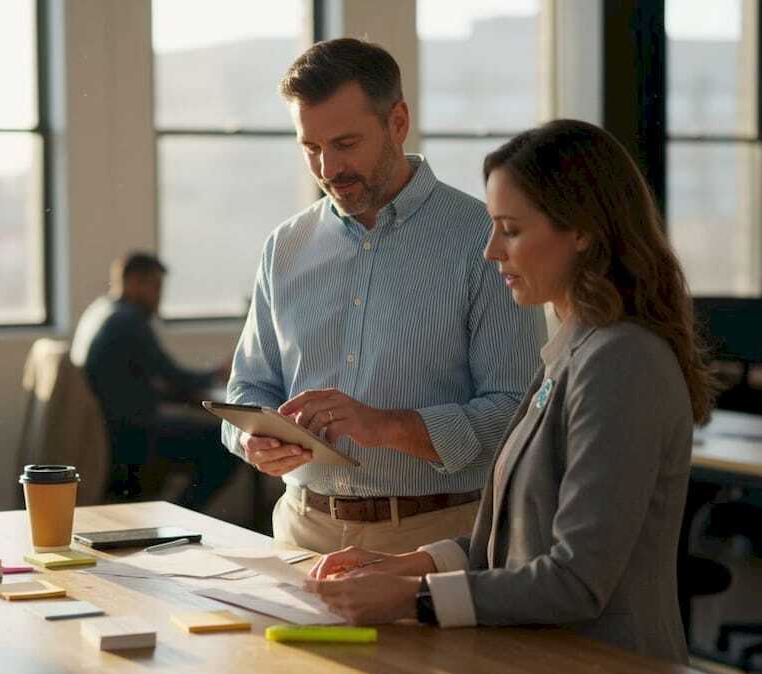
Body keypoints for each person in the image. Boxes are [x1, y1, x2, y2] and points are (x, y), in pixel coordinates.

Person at [305, 119, 716, 664]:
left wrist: (413, 598)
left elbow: (575, 579)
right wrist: (409, 564)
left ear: (582, 232)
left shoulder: (621, 361)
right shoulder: (570, 350)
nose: (490, 251)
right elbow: (510, 544)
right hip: (544, 666)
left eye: (510, 230)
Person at [222, 38, 544, 553]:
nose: (328, 169)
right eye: (311, 148)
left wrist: (390, 426)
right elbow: (248, 388)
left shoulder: (482, 240)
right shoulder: (284, 247)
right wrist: (251, 438)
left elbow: (517, 411)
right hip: (301, 532)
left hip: (437, 537)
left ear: (397, 122)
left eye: (345, 144)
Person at [71, 252, 237, 506]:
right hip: (133, 436)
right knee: (227, 443)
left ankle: (178, 514)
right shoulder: (127, 321)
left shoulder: (101, 311)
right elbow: (173, 378)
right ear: (134, 283)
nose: (159, 296)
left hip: (112, 430)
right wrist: (218, 373)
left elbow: (147, 379)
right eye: (156, 286)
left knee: (208, 431)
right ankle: (183, 515)